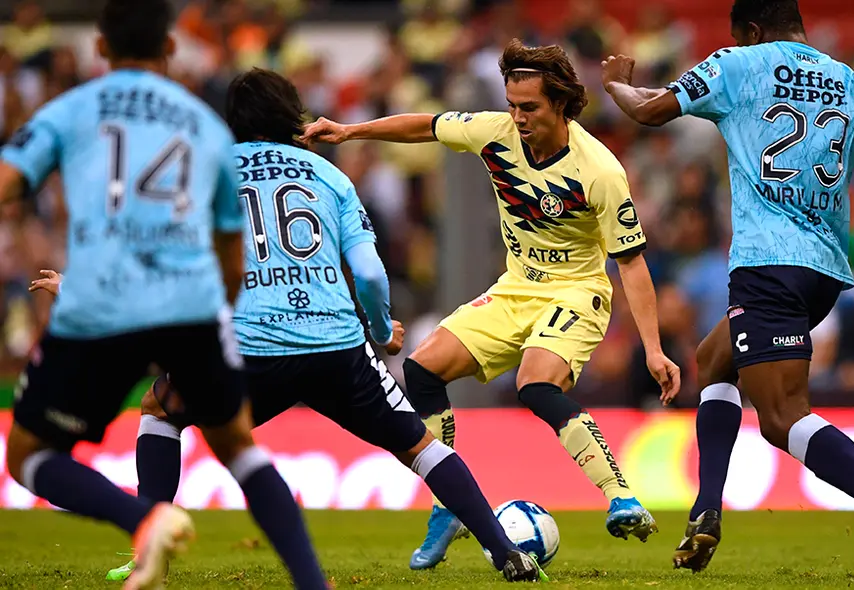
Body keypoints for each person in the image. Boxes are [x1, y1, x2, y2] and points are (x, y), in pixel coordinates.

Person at [29, 68, 545, 584]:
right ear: (292, 117)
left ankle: (150, 545)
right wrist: (382, 327)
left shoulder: (209, 171)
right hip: (337, 347)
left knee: (160, 410)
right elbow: (367, 270)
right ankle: (505, 552)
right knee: (419, 445)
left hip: (253, 348)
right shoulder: (328, 175)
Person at [602, 0, 854, 580]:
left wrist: (615, 84)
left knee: (781, 417)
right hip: (823, 273)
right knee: (714, 359)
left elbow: (649, 111)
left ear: (752, 32)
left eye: (740, 38)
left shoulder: (737, 64)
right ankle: (706, 508)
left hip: (766, 265)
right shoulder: (850, 80)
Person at [303, 38, 681, 570]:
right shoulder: (495, 133)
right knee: (422, 369)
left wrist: (653, 349)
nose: (518, 117)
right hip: (515, 287)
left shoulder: (600, 169)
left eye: (529, 108)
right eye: (512, 105)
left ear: (561, 104)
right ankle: (446, 508)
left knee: (535, 382)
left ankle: (621, 497)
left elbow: (633, 264)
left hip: (577, 292)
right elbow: (425, 126)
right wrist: (349, 131)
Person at [0, 2, 331, 589]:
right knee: (239, 446)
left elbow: (8, 183)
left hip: (101, 308)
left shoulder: (71, 110)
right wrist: (213, 320)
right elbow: (231, 254)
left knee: (26, 453)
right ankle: (312, 583)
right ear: (171, 49)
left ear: (100, 48)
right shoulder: (204, 124)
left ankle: (143, 517)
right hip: (191, 308)